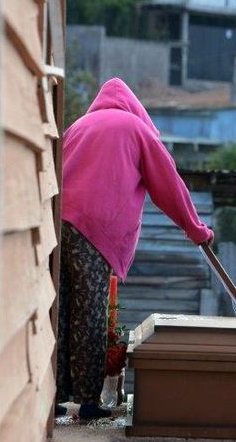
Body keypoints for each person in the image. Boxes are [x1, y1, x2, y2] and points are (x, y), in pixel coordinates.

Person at [55, 78, 214, 419]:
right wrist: (196, 229)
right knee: (90, 312)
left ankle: (52, 395)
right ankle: (87, 401)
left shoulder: (79, 126)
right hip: (92, 229)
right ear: (132, 105)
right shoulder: (134, 128)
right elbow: (169, 185)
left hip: (57, 222)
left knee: (61, 308)